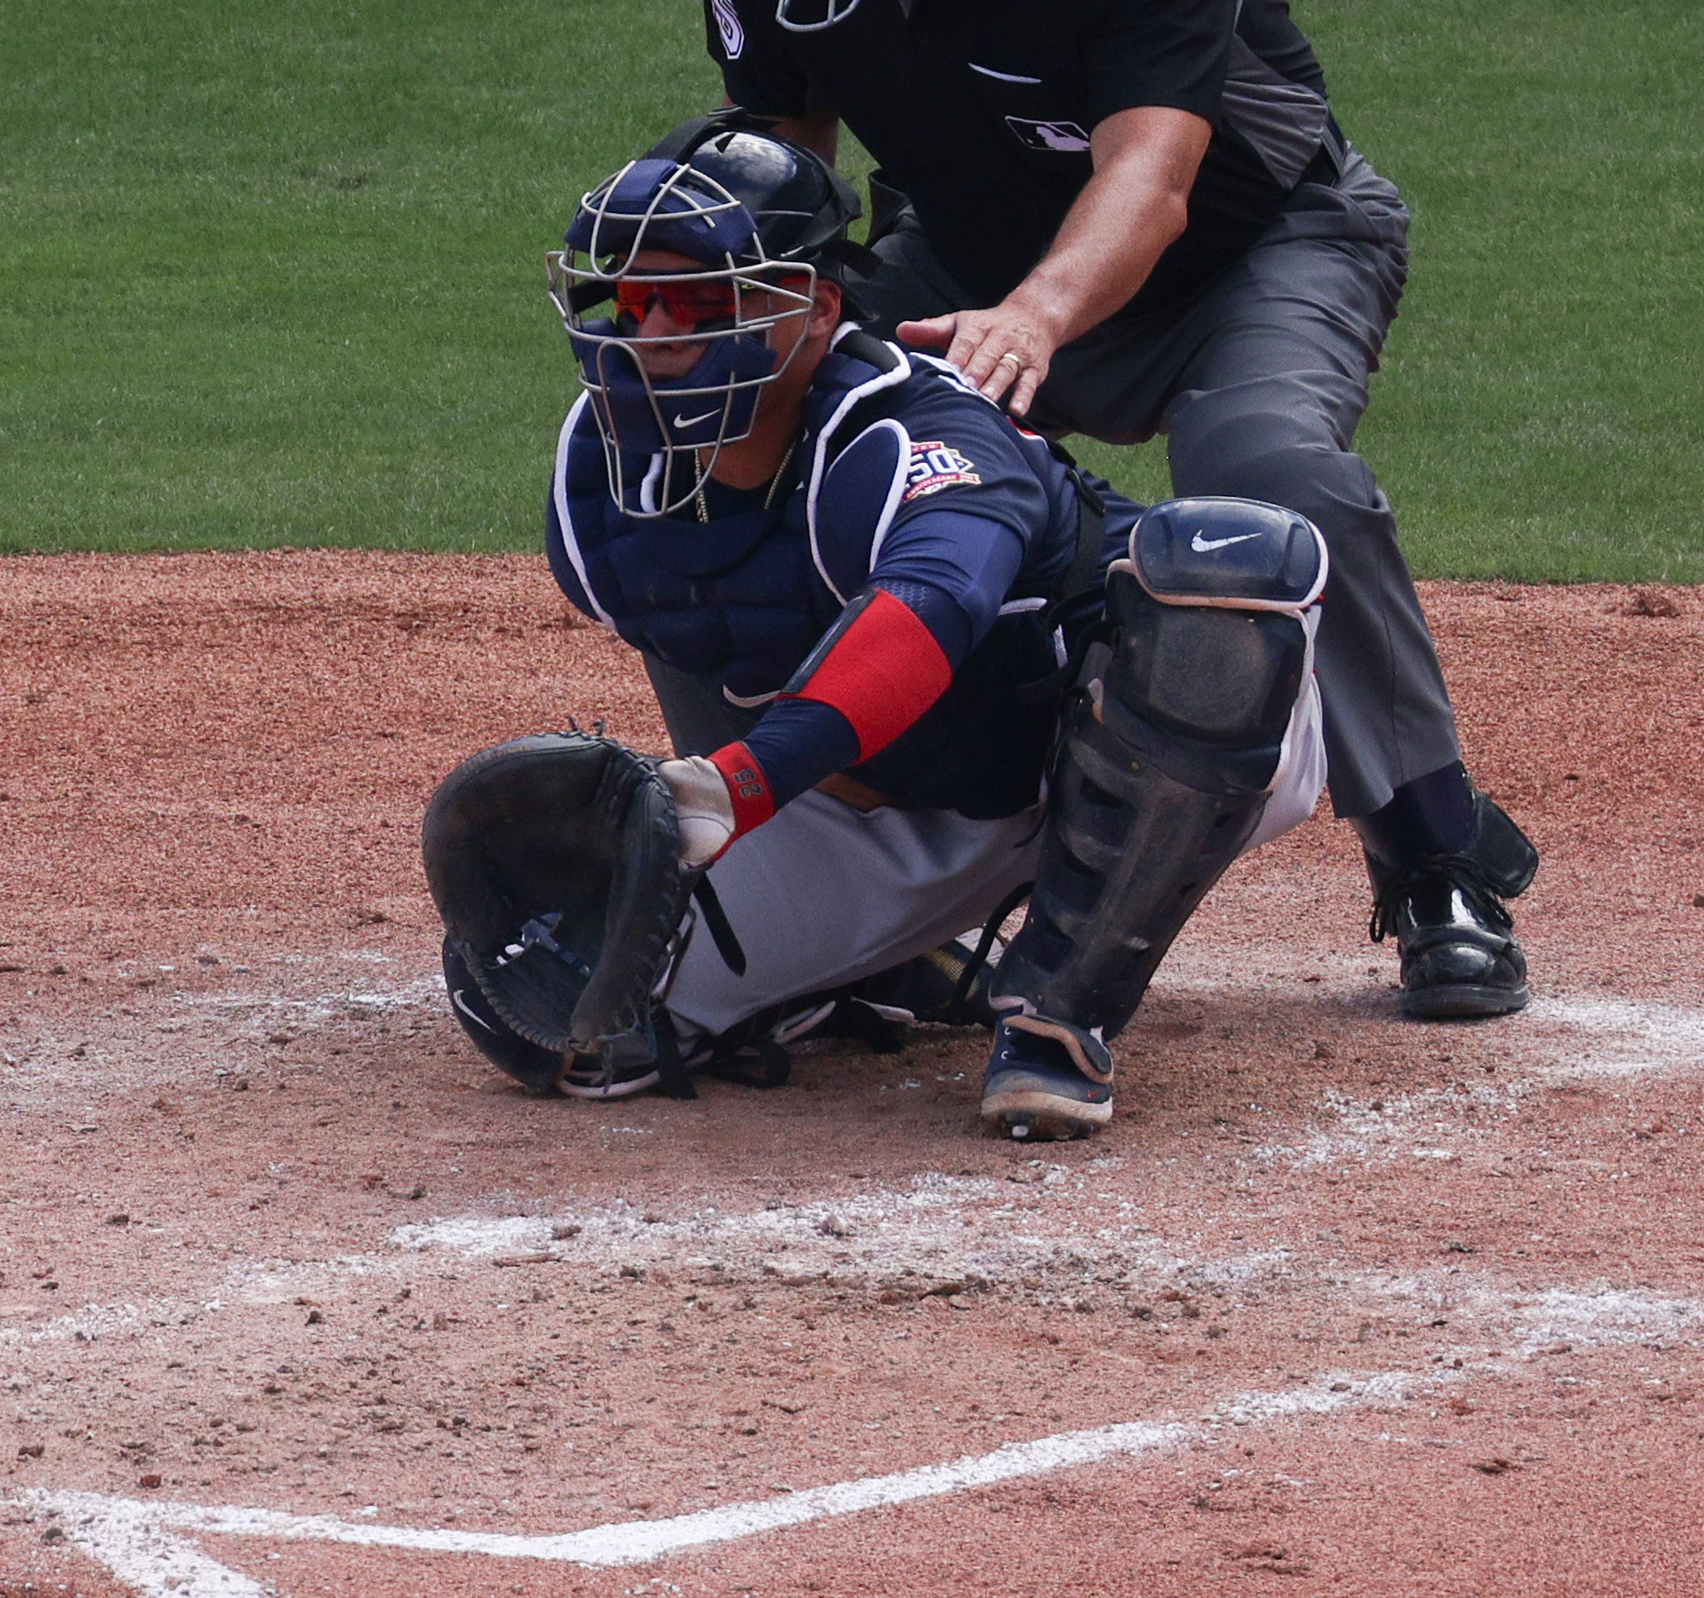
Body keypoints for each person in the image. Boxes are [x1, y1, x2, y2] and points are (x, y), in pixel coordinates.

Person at [687, 0, 1534, 1022]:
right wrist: (752, 331)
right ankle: (817, 871)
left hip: (1250, 248)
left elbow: (1150, 181)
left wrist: (1030, 317)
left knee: (1270, 481)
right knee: (756, 434)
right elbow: (787, 150)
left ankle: (1433, 853)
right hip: (962, 251)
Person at [430, 122, 1331, 1137]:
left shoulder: (909, 432)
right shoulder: (605, 479)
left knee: (1227, 573)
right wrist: (707, 820)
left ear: (809, 312)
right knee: (575, 1013)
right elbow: (715, 651)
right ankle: (879, 960)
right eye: (634, 302)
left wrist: (743, 783)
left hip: (1129, 742)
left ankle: (1059, 1012)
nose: (654, 331)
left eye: (695, 299)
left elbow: (929, 615)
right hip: (900, 799)